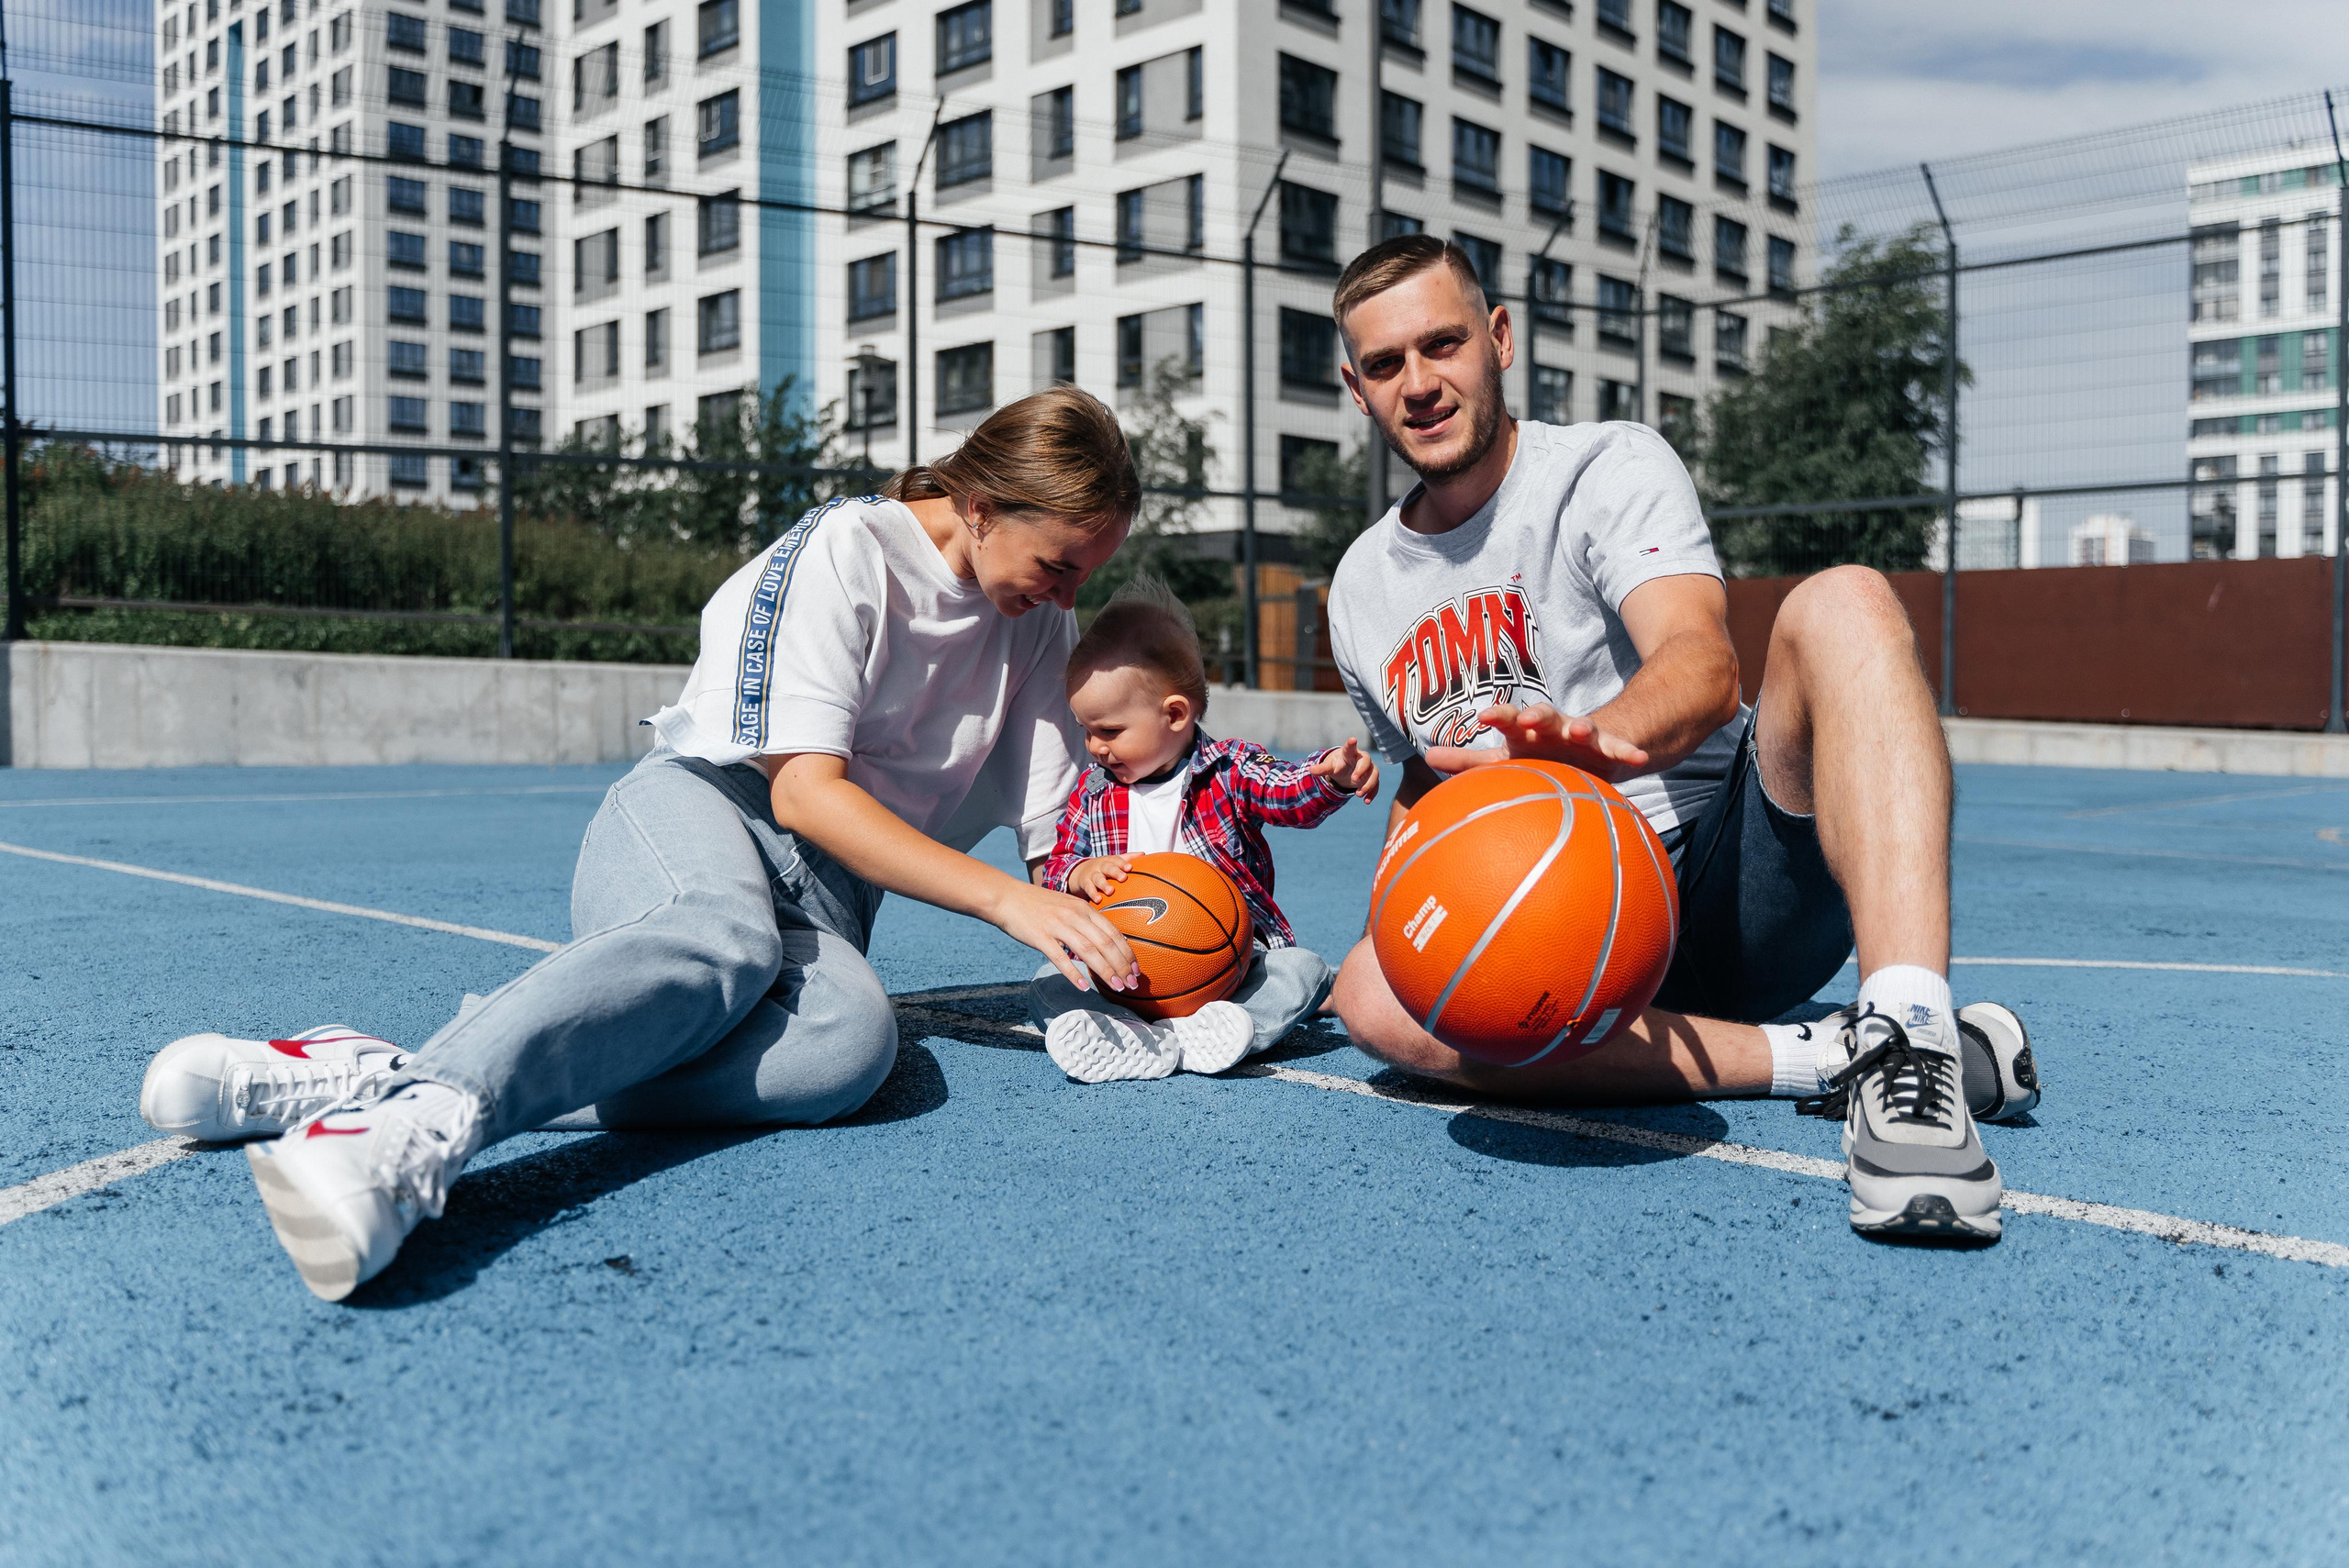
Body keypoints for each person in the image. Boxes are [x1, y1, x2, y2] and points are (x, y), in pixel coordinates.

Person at [139, 387, 1149, 1300]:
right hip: (702, 811)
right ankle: (411, 1124)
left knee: (849, 1047)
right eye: (1058, 565)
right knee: (724, 934)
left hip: (827, 904)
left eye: (1086, 576)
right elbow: (803, 792)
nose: (1067, 599)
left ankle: (382, 1070)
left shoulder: (1040, 630)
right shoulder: (848, 551)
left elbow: (1058, 835)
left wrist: (1152, 922)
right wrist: (1008, 901)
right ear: (979, 506)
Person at [1319, 235, 2040, 1242]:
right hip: (1550, 934)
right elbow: (1422, 775)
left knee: (1844, 600)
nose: (1421, 383)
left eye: (1442, 344)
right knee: (1369, 992)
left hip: (1725, 878)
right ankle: (1832, 1056)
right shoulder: (1359, 586)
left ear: (1499, 339)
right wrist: (1413, 885)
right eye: (1387, 364)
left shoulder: (1604, 466)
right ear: (1357, 389)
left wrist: (1589, 745)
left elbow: (1702, 665)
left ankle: (1911, 1043)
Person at [1028, 576, 1379, 1083]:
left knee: (1301, 970)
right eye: (1085, 729)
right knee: (1046, 983)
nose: (1094, 746)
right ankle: (1132, 1035)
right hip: (1120, 970)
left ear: (1174, 713)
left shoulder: (1229, 770)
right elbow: (1058, 867)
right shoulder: (1093, 792)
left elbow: (1284, 790)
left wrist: (1330, 776)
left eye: (1109, 731)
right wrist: (1081, 873)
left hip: (1227, 968)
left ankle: (1233, 1027)